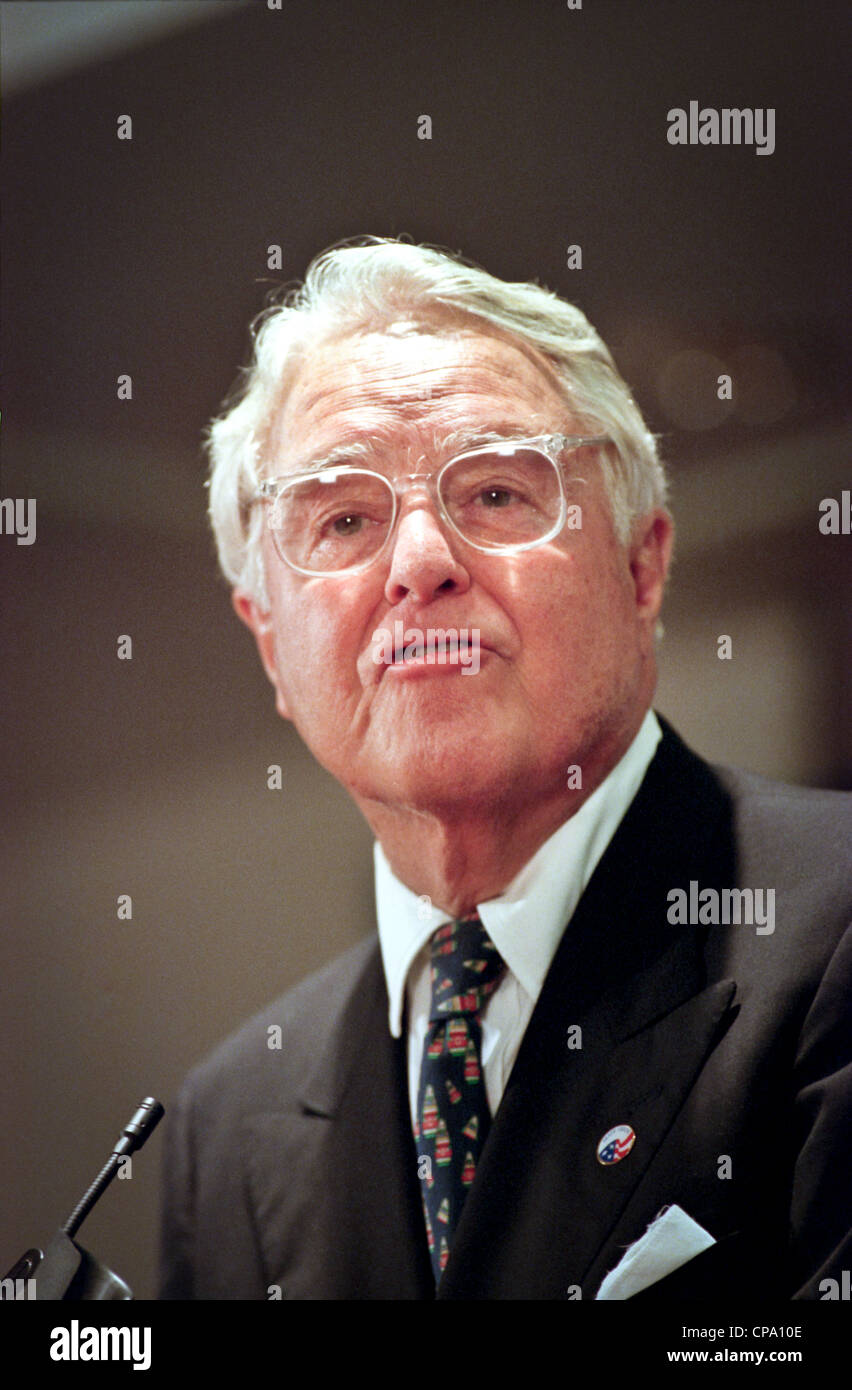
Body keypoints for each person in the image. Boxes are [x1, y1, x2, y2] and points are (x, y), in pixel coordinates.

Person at [159, 238, 851, 1300]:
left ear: (640, 565)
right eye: (343, 519)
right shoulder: (225, 1121)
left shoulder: (835, 927)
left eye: (492, 492)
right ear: (269, 646)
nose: (420, 562)